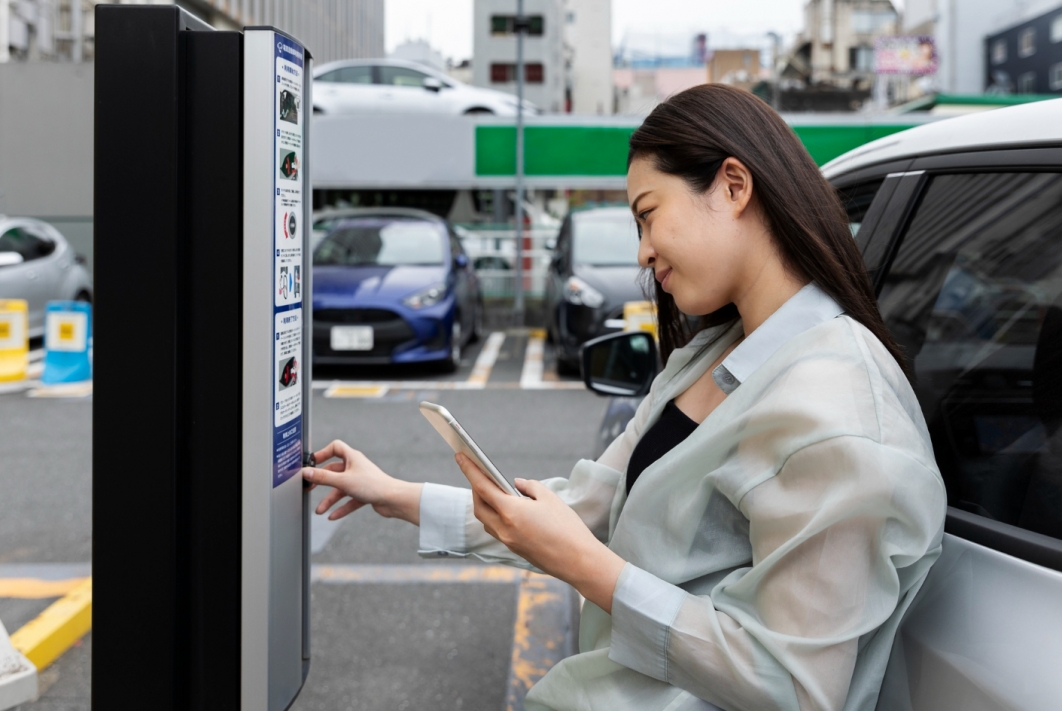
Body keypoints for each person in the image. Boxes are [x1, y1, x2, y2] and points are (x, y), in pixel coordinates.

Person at [301, 84, 946, 711]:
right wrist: (396, 495)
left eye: (647, 213)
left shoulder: (839, 409)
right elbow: (589, 505)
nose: (642, 251)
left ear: (732, 186)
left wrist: (588, 569)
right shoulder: (713, 353)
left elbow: (794, 688)